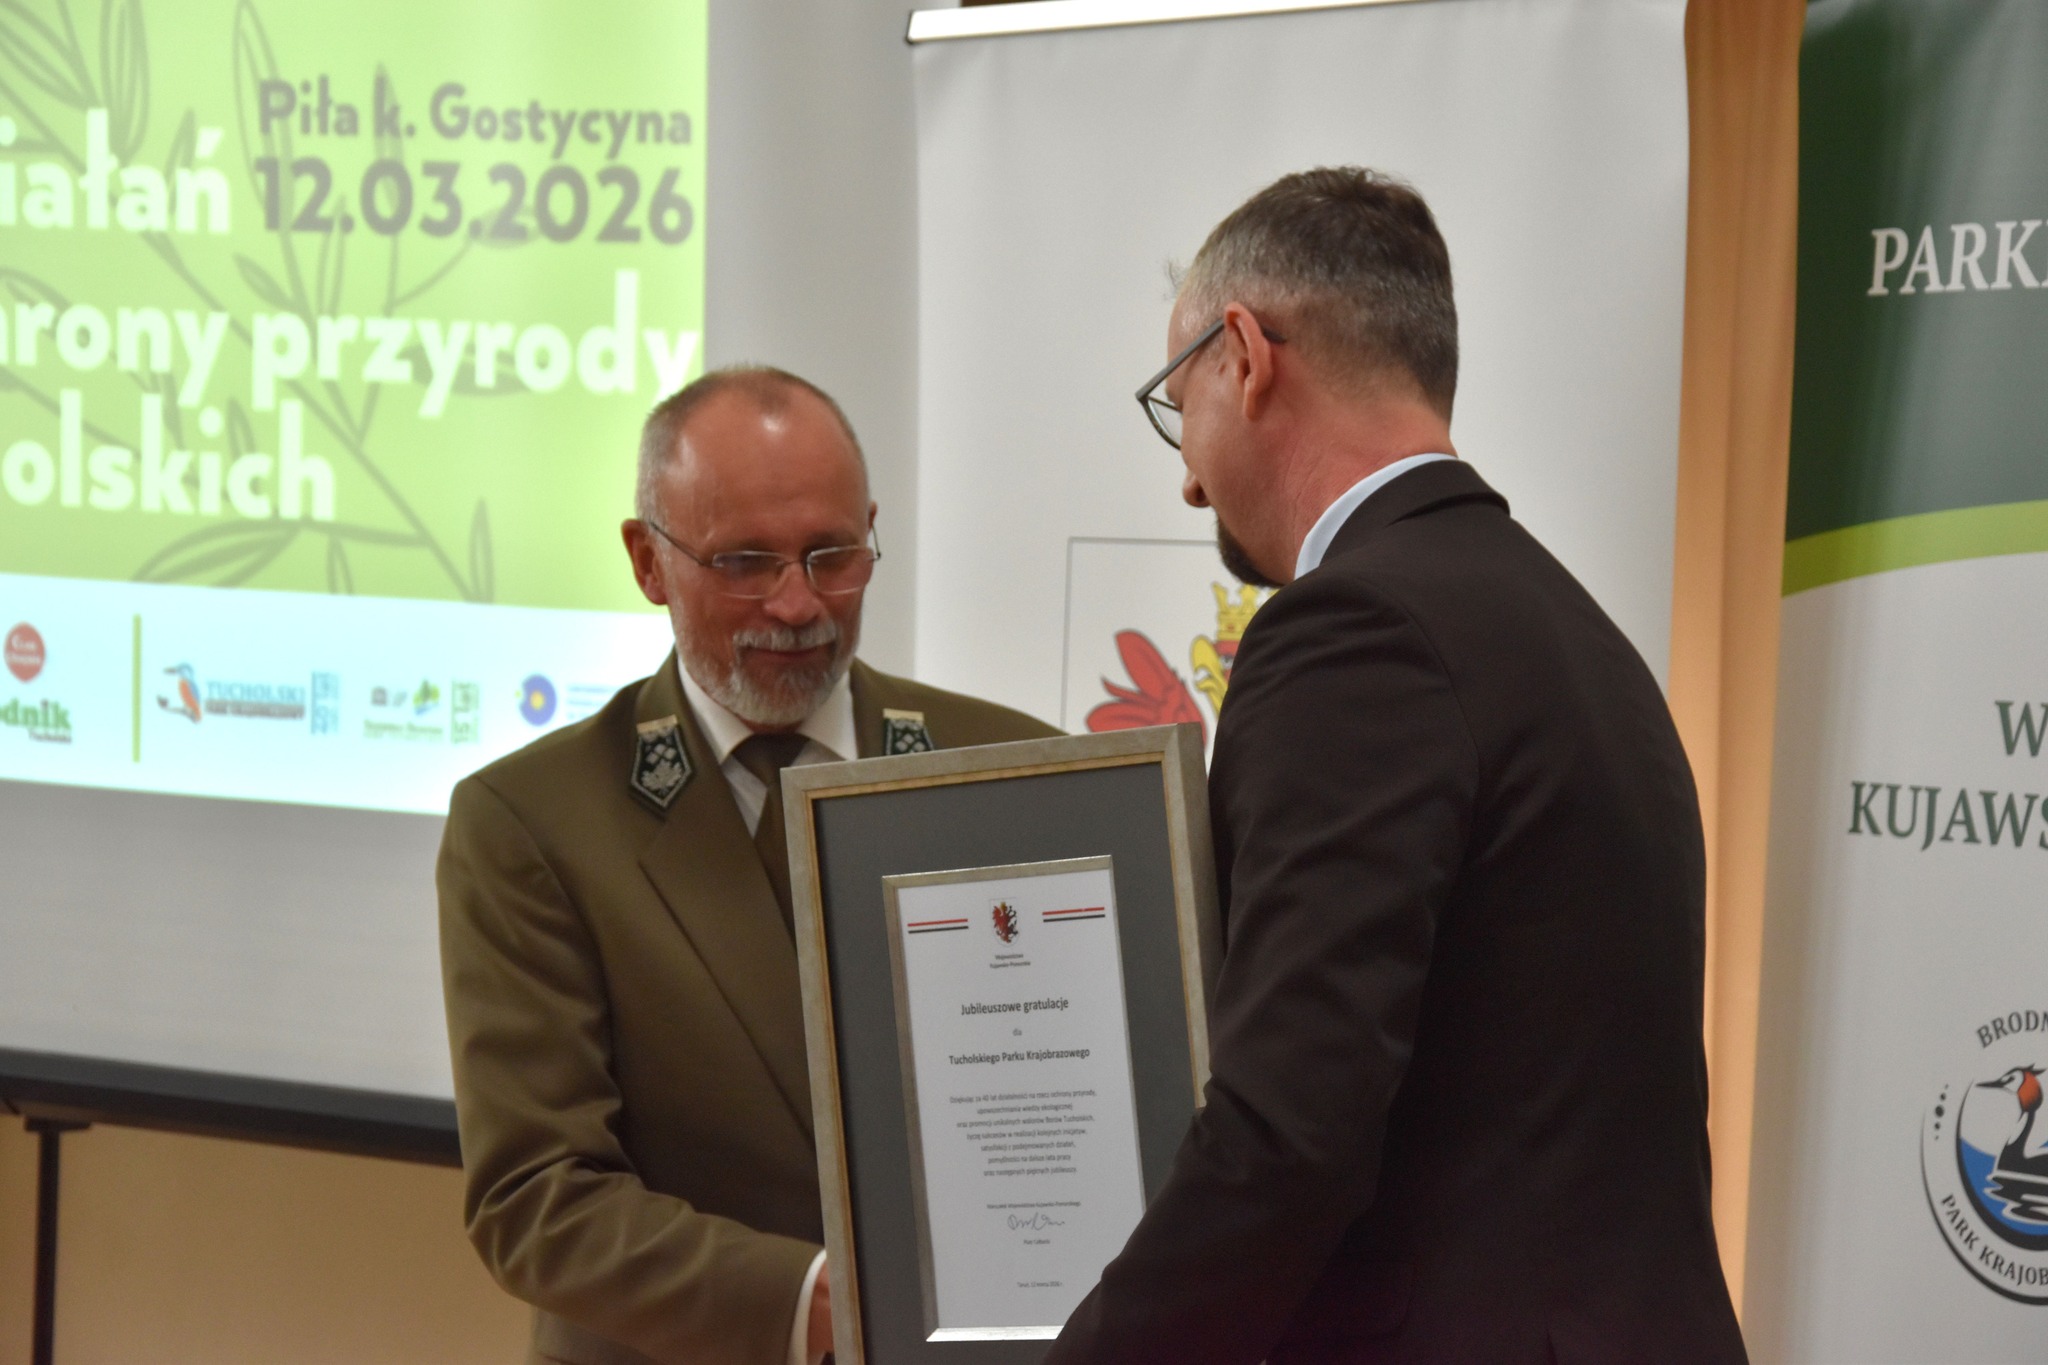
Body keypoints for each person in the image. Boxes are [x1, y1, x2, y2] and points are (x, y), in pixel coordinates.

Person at [1047, 169, 1747, 1363]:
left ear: (1242, 356)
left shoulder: (1353, 632)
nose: (1186, 476)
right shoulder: (1570, 629)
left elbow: (1287, 1136)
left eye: (1177, 404)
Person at [438, 367, 1059, 1365]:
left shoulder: (1016, 769)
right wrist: (821, 1304)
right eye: (744, 562)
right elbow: (536, 1200)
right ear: (648, 561)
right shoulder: (533, 824)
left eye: (832, 554)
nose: (797, 602)